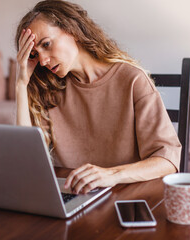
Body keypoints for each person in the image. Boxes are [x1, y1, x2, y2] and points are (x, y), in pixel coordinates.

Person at [15, 0, 181, 195]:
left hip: (124, 198)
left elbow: (168, 160)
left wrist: (111, 175)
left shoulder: (132, 80)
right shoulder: (48, 89)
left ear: (72, 29)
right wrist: (20, 84)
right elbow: (27, 160)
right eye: (35, 54)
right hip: (73, 197)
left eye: (46, 44)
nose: (42, 60)